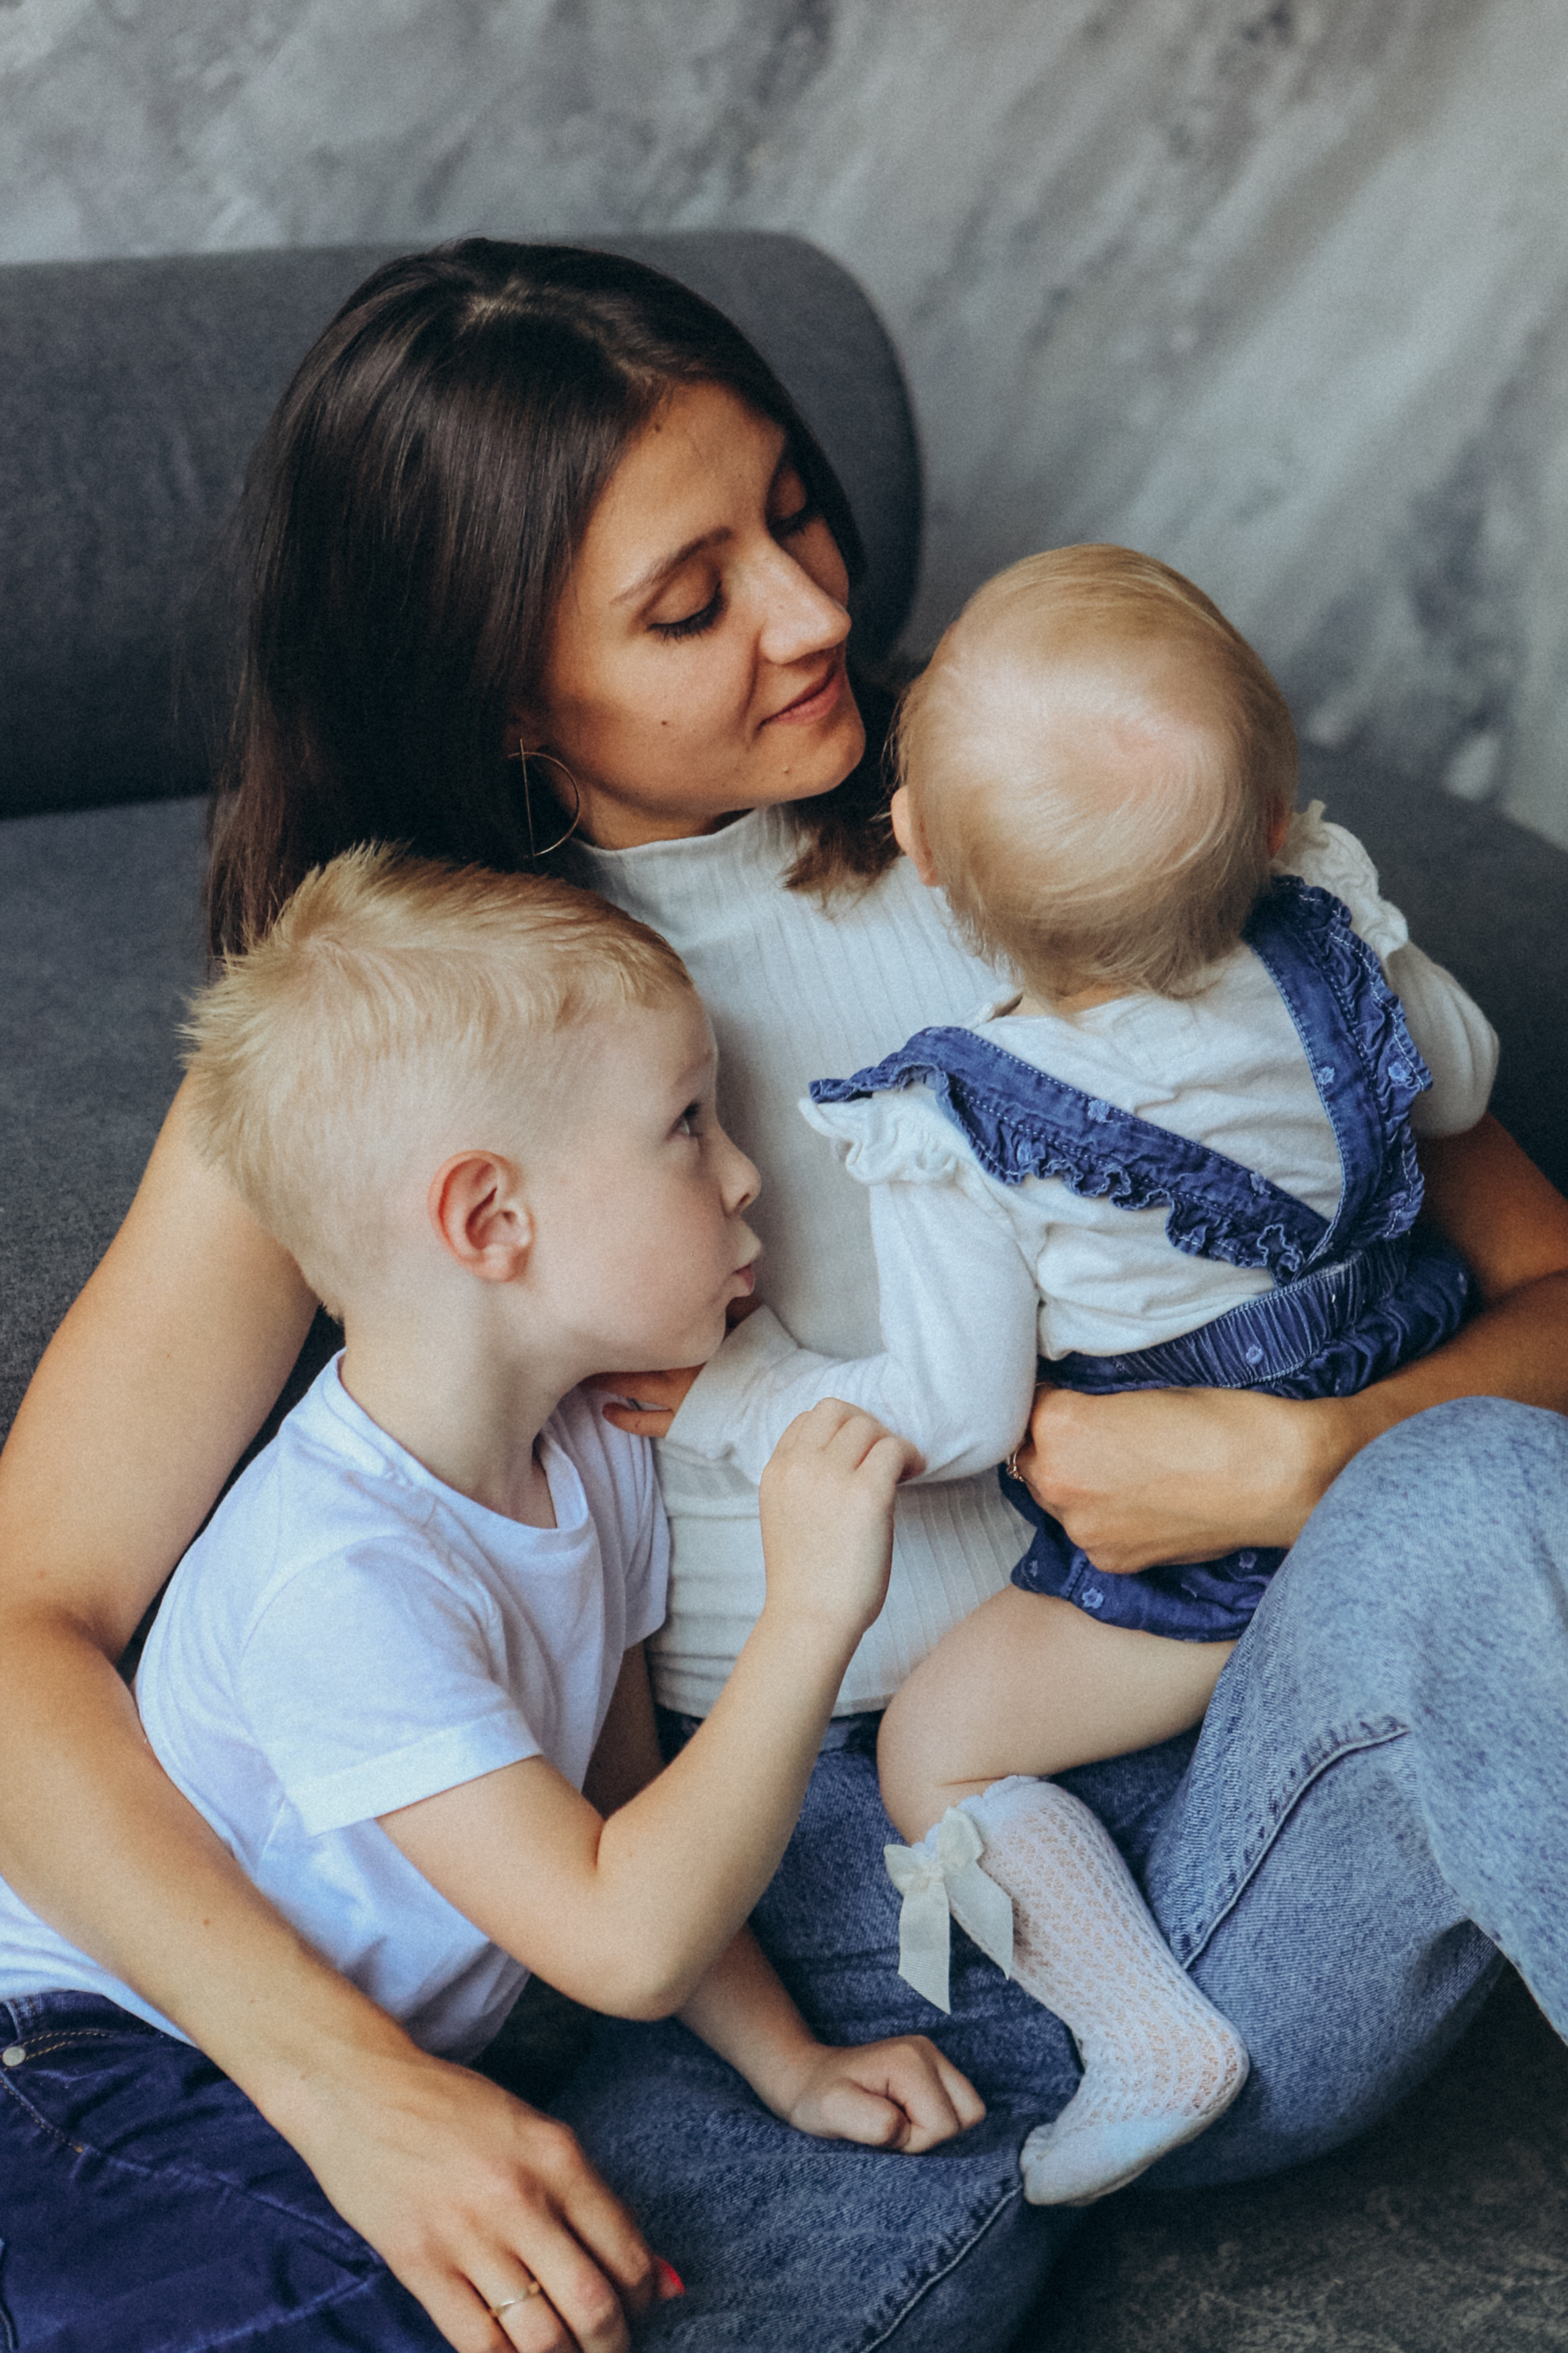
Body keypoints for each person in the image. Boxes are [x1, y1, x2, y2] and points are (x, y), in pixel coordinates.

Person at [1, 238, 1566, 2353]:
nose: (819, 612)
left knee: (1466, 1502)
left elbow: (1541, 1300)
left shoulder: (1077, 792)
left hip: (1252, 1739)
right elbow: (30, 1637)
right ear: (495, 688)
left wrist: (1303, 1458)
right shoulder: (387, 1058)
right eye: (688, 597)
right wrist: (338, 2075)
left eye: (798, 512)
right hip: (798, 1897)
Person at [0, 846, 983, 2343]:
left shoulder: (593, 1449)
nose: (742, 1171)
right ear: (490, 1221)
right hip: (83, 2061)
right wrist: (807, 1616)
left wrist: (789, 2063)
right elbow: (617, 1936)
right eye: (686, 1124)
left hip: (283, 2084)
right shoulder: (341, 1579)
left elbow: (625, 1826)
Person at [662, 543, 1499, 2205]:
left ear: (919, 858)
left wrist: (741, 1394)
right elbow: (1459, 1086)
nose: (828, 620)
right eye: (688, 600)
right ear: (1274, 821)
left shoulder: (965, 1117)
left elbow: (965, 1416)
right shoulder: (1336, 942)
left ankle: (1145, 2038)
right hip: (1415, 1444)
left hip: (1199, 1576)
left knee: (946, 1756)